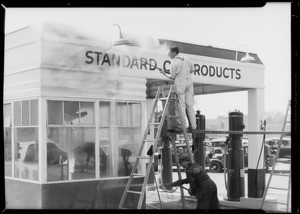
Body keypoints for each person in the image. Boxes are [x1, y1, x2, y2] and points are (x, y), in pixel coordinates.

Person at [160, 46, 196, 133]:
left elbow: (172, 77)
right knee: (190, 106)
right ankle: (194, 126)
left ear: (174, 53)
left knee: (182, 106)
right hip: (189, 83)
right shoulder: (186, 59)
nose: (168, 54)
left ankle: (183, 125)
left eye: (169, 52)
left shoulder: (174, 63)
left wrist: (164, 73)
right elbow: (192, 69)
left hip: (180, 84)